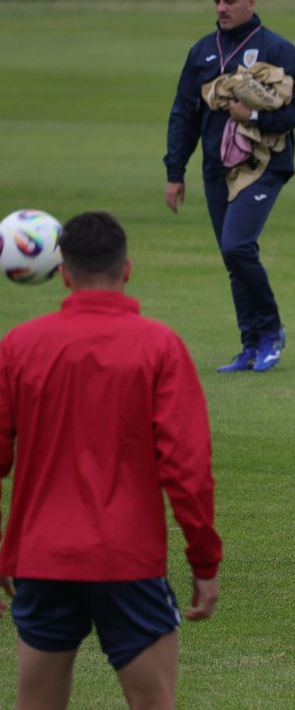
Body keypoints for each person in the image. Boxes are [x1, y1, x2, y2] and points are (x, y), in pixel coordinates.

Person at [0, 211, 222, 709]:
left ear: (62, 272)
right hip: (128, 560)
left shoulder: (18, 345)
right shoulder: (159, 347)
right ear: (126, 269)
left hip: (43, 558)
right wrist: (203, 560)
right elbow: (188, 470)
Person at [164, 0, 295, 373]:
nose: (222, 8)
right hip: (215, 168)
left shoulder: (277, 49)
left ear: (251, 1)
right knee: (234, 260)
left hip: (263, 166)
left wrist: (255, 118)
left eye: (230, 1)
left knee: (237, 246)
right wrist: (175, 172)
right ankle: (250, 344)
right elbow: (183, 115)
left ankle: (270, 332)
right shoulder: (201, 52)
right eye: (216, 1)